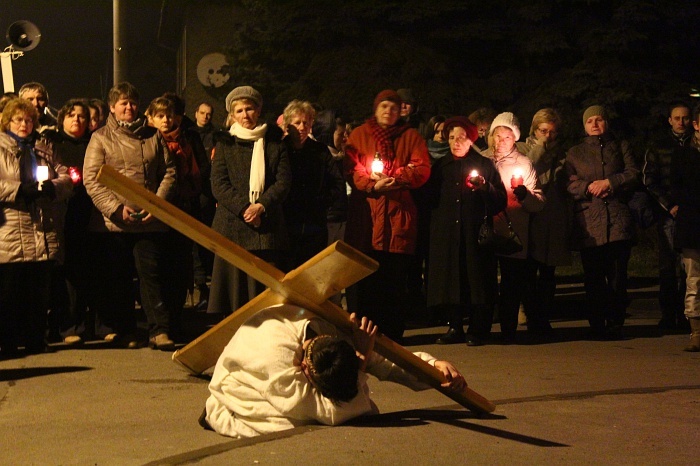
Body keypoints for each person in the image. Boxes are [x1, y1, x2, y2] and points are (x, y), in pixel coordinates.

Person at [201, 303, 467, 438]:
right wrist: (361, 361)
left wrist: (433, 368)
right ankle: (216, 412)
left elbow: (386, 362)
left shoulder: (335, 334)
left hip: (296, 360)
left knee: (343, 403)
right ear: (305, 370)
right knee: (301, 419)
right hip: (242, 377)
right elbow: (334, 411)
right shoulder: (279, 366)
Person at [83, 82, 177, 350]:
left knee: (151, 276)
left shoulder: (153, 135)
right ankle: (126, 330)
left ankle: (159, 330)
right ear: (112, 107)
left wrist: (156, 204)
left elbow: (168, 171)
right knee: (119, 278)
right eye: (123, 103)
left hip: (149, 219)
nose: (129, 107)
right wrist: (115, 209)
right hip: (115, 222)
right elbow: (92, 179)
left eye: (133, 102)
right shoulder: (100, 137)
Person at [343, 89, 431, 341]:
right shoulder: (360, 135)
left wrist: (396, 178)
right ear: (376, 109)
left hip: (397, 217)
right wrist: (371, 185)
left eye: (393, 108)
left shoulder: (411, 137)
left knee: (393, 278)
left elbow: (422, 167)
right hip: (367, 217)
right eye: (384, 107)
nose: (388, 112)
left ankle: (392, 332)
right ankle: (362, 331)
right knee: (366, 277)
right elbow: (352, 167)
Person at [207, 86, 291, 315]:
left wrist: (261, 206)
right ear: (232, 115)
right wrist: (245, 209)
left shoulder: (275, 143)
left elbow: (283, 182)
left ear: (258, 110)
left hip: (267, 228)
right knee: (234, 298)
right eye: (240, 111)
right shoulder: (225, 143)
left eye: (250, 109)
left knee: (266, 298)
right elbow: (219, 184)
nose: (245, 115)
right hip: (232, 227)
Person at [425, 117, 506, 346]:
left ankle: (478, 328)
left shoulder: (485, 165)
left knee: (477, 278)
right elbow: (429, 199)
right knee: (452, 279)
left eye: (461, 137)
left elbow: (499, 201)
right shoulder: (441, 167)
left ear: (471, 139)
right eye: (451, 137)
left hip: (474, 234)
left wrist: (485, 188)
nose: (456, 142)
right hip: (448, 234)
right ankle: (455, 326)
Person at [0, 98, 72, 357]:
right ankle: (8, 342)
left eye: (29, 120)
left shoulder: (44, 148)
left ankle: (35, 339)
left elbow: (66, 176)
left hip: (40, 228)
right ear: (7, 122)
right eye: (18, 120)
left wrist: (54, 186)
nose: (24, 124)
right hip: (9, 230)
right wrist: (19, 190)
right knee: (8, 293)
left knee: (37, 292)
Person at [565, 105, 639, 340]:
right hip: (591, 221)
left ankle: (615, 321)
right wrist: (588, 187)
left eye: (599, 119)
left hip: (617, 219)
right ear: (584, 126)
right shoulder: (575, 152)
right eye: (590, 121)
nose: (595, 124)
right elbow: (569, 183)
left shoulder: (621, 146)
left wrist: (610, 182)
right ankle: (596, 323)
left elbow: (633, 173)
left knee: (617, 274)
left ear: (606, 122)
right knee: (594, 276)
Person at [486, 112, 545, 343]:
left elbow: (539, 202)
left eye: (508, 136)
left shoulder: (524, 163)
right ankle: (482, 327)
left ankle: (508, 331)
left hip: (514, 232)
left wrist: (524, 195)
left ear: (515, 138)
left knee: (511, 284)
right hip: (487, 230)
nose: (502, 140)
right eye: (497, 135)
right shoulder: (483, 160)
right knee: (487, 281)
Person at [45, 99, 97, 345]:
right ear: (62, 118)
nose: (76, 119)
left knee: (88, 270)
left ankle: (89, 324)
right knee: (64, 274)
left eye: (81, 116)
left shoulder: (95, 143)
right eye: (71, 115)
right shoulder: (52, 144)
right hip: (62, 212)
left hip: (91, 211)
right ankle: (66, 326)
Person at [517, 108, 571, 333]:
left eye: (552, 132)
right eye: (543, 131)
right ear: (534, 129)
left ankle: (544, 317)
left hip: (552, 217)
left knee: (548, 272)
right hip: (529, 216)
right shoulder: (521, 148)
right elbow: (529, 166)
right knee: (529, 271)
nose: (548, 136)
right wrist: (540, 148)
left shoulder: (562, 154)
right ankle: (529, 314)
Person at [643, 101, 694, 331]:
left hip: (692, 212)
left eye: (685, 118)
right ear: (670, 120)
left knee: (690, 266)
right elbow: (649, 179)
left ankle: (688, 315)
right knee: (667, 266)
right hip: (667, 214)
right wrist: (668, 205)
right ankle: (667, 314)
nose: (681, 122)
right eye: (677, 118)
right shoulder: (658, 146)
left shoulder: (696, 144)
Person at [281, 100, 346, 271]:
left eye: (306, 122)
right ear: (287, 125)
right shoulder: (280, 150)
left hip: (314, 224)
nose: (302, 127)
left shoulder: (320, 150)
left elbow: (337, 183)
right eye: (297, 122)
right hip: (286, 224)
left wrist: (322, 201)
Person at [671, 104, 700, 351]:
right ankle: (696, 332)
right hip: (693, 225)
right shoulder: (683, 155)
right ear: (697, 125)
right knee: (694, 280)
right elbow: (677, 187)